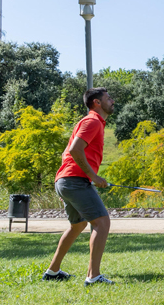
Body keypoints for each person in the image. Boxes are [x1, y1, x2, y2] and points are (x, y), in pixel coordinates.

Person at [43, 87, 116, 285]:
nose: (113, 101)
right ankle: (93, 277)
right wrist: (93, 176)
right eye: (108, 98)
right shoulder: (92, 121)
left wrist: (62, 184)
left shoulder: (91, 122)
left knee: (78, 225)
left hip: (67, 180)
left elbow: (65, 153)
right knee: (101, 222)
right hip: (75, 180)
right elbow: (75, 150)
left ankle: (52, 271)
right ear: (97, 103)